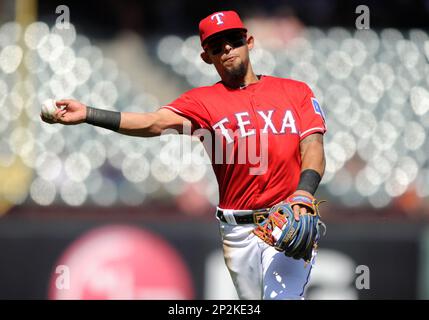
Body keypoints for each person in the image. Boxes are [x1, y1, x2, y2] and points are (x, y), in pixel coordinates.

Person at [41, 10, 327, 300]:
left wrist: (303, 194)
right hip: (236, 232)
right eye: (217, 46)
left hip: (286, 219)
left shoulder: (295, 92)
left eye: (233, 40)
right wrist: (89, 113)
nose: (227, 48)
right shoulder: (202, 101)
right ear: (206, 57)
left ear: (249, 41)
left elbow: (313, 146)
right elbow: (152, 123)